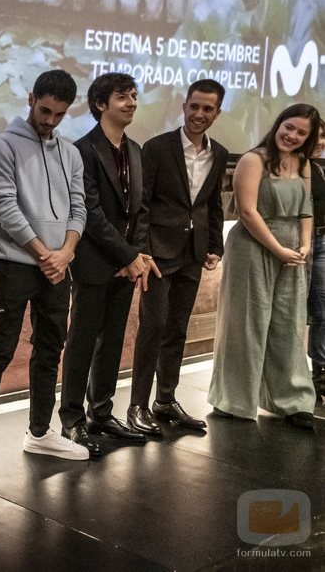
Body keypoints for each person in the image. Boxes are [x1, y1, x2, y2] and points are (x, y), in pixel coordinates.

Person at [0, 70, 89, 475]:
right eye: (45, 110)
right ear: (32, 99)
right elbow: (3, 205)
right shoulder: (4, 144)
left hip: (58, 267)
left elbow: (79, 207)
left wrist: (65, 253)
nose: (50, 120)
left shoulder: (70, 153)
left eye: (59, 114)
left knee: (50, 349)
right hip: (15, 265)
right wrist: (44, 253)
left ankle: (39, 431)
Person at [59, 72, 158, 457]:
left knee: (113, 339)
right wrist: (127, 256)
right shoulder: (83, 149)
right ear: (101, 104)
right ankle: (72, 419)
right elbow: (91, 211)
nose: (131, 103)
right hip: (94, 261)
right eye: (122, 97)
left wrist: (138, 254)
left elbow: (141, 208)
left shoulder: (135, 149)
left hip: (125, 263)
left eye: (134, 96)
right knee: (82, 340)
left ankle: (101, 412)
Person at [208, 104, 321, 429]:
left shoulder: (303, 163)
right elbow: (247, 212)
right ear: (279, 124)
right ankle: (234, 400)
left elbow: (306, 210)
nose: (293, 136)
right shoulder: (253, 159)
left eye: (302, 133)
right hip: (253, 247)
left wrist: (304, 245)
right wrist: (278, 249)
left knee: (289, 324)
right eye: (290, 127)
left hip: (291, 251)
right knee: (246, 323)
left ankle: (293, 401)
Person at [127, 79, 229, 435]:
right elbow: (141, 203)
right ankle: (137, 405)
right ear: (184, 106)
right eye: (194, 106)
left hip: (192, 253)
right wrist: (142, 250)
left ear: (217, 112)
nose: (199, 114)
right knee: (153, 327)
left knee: (177, 329)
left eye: (208, 109)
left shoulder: (219, 153)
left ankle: (165, 400)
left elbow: (213, 204)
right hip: (157, 254)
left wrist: (215, 245)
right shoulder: (157, 147)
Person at [307, 122, 325, 405]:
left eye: (323, 136)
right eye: (316, 136)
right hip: (295, 246)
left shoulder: (319, 169)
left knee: (322, 311)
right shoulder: (291, 168)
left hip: (321, 243)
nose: (321, 141)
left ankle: (320, 374)